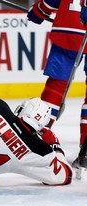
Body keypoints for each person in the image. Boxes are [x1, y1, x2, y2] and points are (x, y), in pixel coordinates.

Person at [27, 0, 87, 178]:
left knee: (56, 87)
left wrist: (38, 11)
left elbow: (50, 2)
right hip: (76, 28)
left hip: (68, 31)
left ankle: (38, 134)